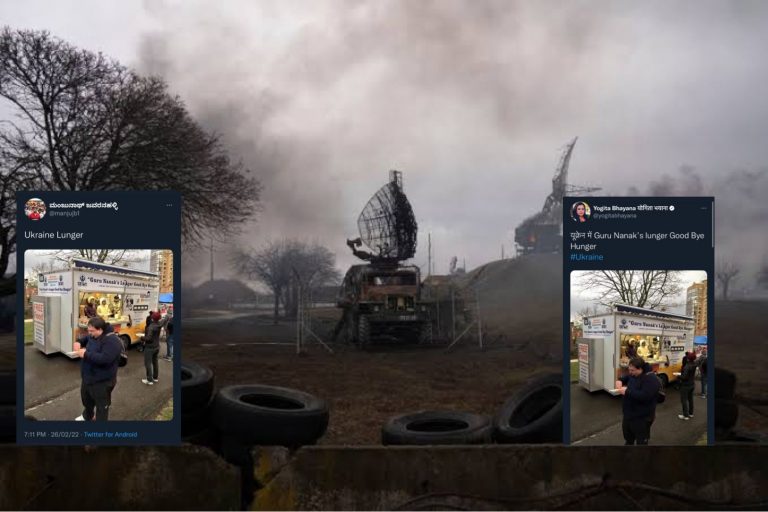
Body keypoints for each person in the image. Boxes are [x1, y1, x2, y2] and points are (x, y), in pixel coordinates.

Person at [74, 317, 122, 421]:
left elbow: (105, 359)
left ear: (100, 329)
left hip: (102, 381)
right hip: (88, 377)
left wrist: (86, 354)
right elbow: (87, 338)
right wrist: (79, 341)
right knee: (86, 400)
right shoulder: (93, 334)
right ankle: (88, 415)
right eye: (88, 330)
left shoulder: (112, 341)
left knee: (102, 406)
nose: (89, 333)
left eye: (92, 331)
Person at [615, 357, 661, 445]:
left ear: (640, 369)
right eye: (629, 370)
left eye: (632, 370)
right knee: (628, 439)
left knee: (641, 442)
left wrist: (627, 391)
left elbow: (645, 396)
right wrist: (620, 380)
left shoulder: (651, 379)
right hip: (629, 415)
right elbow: (627, 377)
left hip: (642, 418)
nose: (630, 372)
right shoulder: (633, 374)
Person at [142, 311, 167, 385]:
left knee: (148, 363)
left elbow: (148, 338)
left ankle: (149, 380)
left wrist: (142, 338)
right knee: (155, 362)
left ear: (152, 318)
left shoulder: (151, 327)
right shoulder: (159, 324)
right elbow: (165, 319)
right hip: (156, 346)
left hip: (149, 347)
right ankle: (155, 378)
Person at [678, 352, 697, 420]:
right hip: (692, 384)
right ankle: (691, 413)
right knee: (690, 399)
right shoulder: (694, 364)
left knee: (684, 400)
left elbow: (684, 377)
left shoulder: (687, 366)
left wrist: (678, 376)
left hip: (685, 385)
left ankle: (685, 415)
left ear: (688, 358)